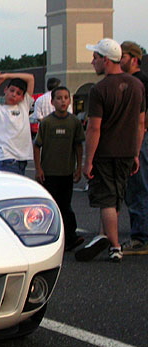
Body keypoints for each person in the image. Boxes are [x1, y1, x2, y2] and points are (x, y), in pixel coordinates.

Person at [75, 38, 146, 262]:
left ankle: (114, 246)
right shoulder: (137, 85)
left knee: (106, 199)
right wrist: (135, 152)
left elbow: (94, 128)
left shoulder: (100, 89)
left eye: (95, 57)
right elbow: (140, 123)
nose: (92, 62)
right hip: (127, 151)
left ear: (106, 60)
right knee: (118, 197)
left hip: (106, 152)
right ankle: (107, 237)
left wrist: (88, 160)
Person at [33, 86, 85, 251]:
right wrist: (38, 168)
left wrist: (78, 168)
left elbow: (78, 146)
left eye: (65, 98)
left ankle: (71, 237)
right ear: (52, 101)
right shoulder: (47, 122)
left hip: (66, 172)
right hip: (49, 172)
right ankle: (49, 239)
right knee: (51, 206)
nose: (62, 101)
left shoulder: (74, 122)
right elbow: (37, 146)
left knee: (66, 205)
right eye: (59, 98)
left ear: (69, 101)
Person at [119, 40, 148, 255]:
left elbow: (142, 118)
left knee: (138, 187)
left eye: (123, 56)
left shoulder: (139, 82)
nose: (119, 60)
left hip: (140, 139)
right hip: (138, 138)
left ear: (133, 58)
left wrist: (136, 146)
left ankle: (140, 238)